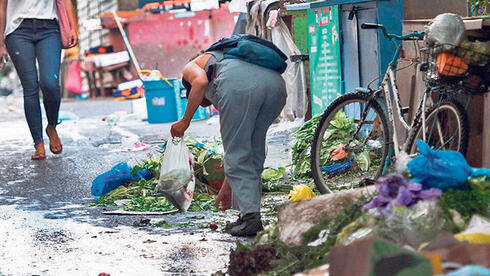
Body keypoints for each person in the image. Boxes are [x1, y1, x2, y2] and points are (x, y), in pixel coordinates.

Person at [170, 48, 287, 237]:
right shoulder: (228, 59)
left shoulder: (191, 67)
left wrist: (184, 121)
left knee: (239, 152)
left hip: (240, 86)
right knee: (253, 152)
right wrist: (228, 184)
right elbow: (240, 148)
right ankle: (247, 214)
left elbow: (199, 82)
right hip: (276, 86)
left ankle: (250, 218)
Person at [0, 0, 78, 160]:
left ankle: (51, 125)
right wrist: (0, 42)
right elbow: (2, 7)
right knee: (30, 87)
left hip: (49, 29)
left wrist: (73, 28)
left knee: (50, 83)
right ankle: (38, 142)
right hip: (17, 30)